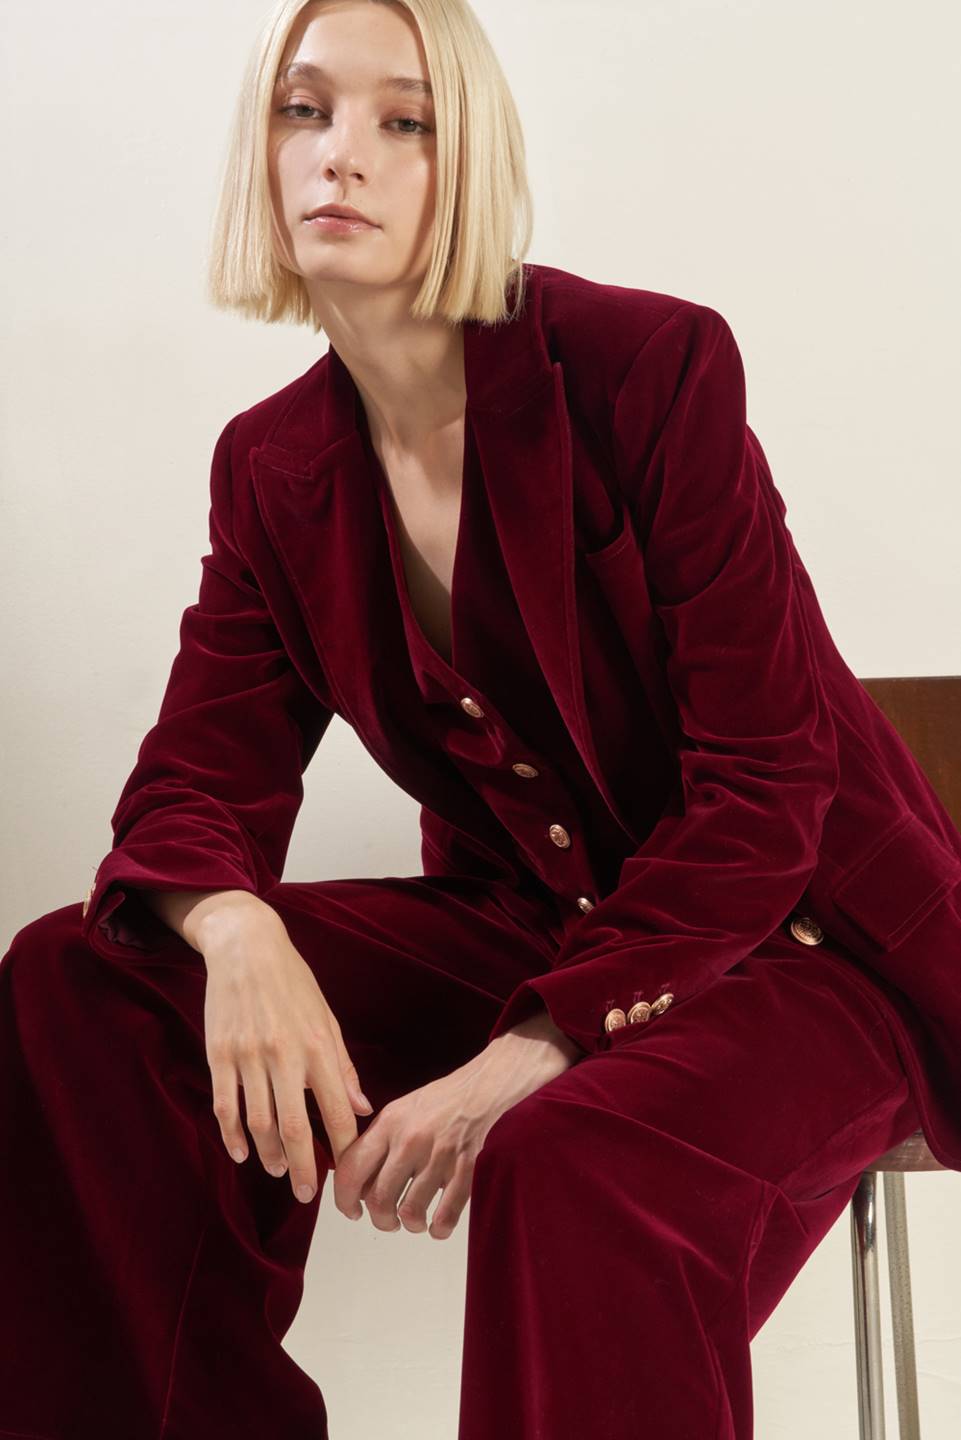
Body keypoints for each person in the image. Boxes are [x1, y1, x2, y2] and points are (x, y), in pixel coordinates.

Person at [3, 1, 961, 1436]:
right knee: (88, 977)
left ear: (471, 169)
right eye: (303, 111)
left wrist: (537, 1048)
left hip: (804, 943)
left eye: (406, 123)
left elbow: (768, 785)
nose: (344, 157)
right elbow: (198, 773)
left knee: (575, 1155)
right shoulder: (272, 468)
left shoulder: (649, 371)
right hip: (541, 922)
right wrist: (233, 923)